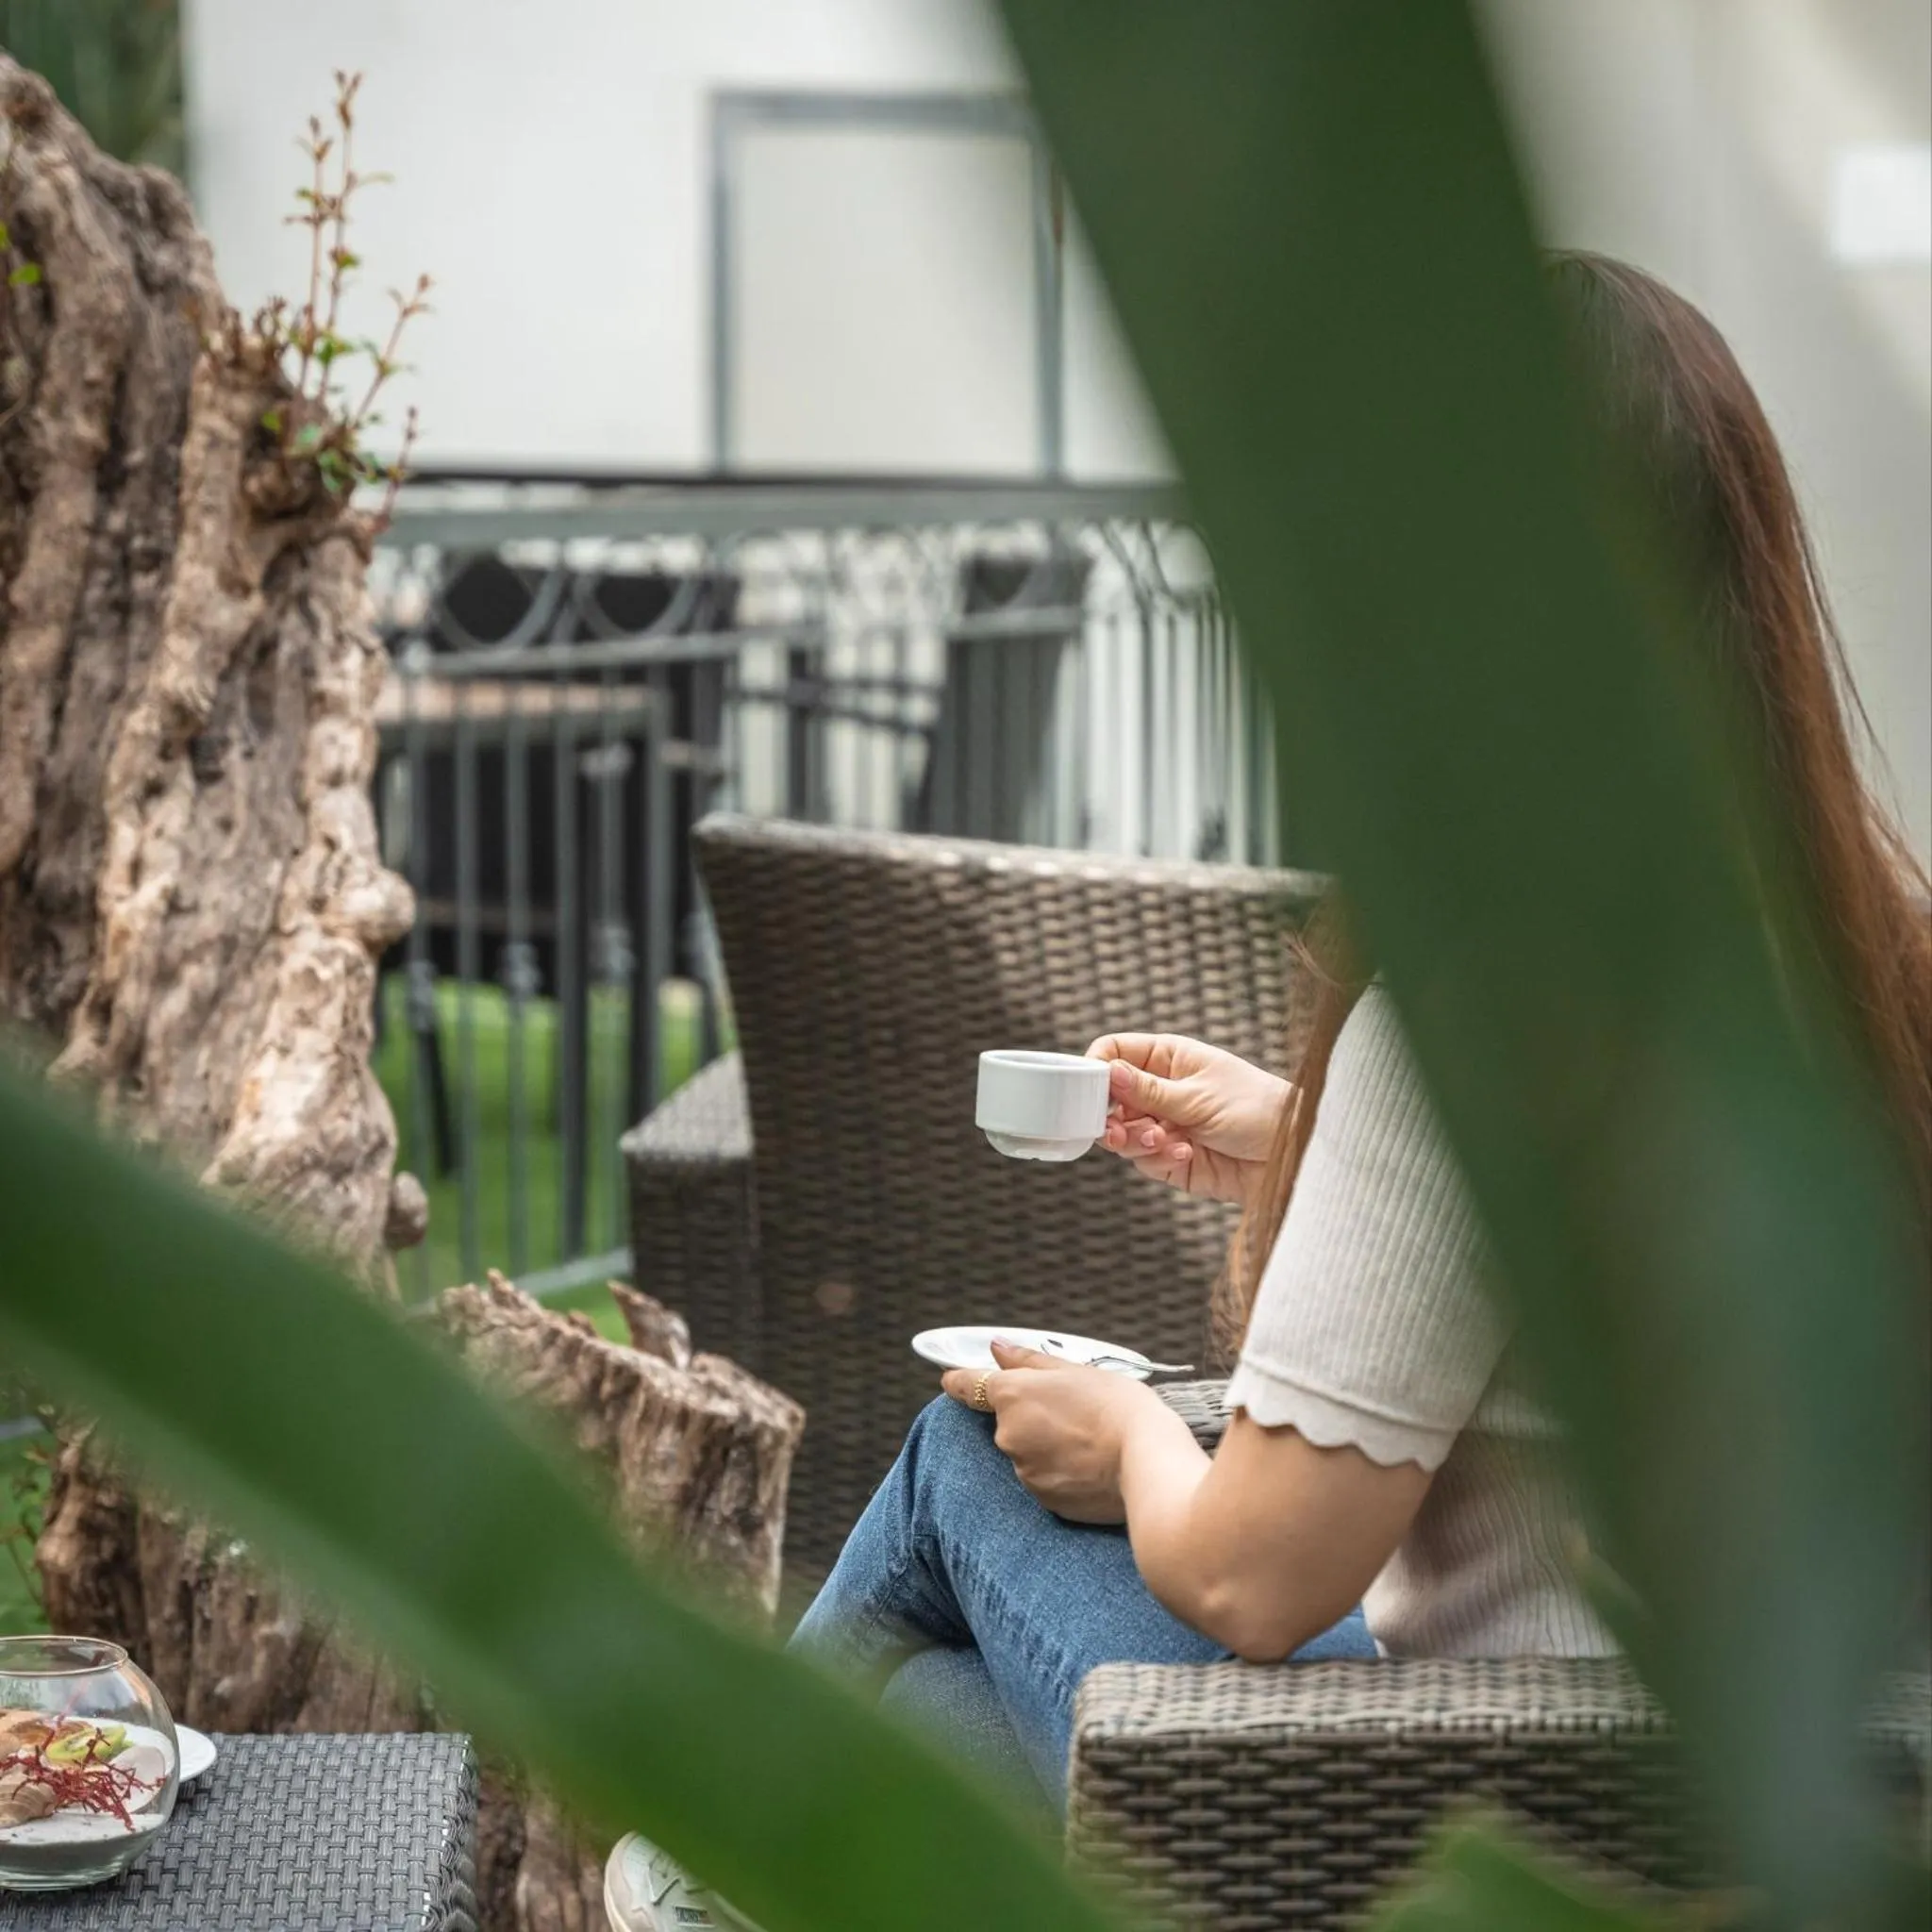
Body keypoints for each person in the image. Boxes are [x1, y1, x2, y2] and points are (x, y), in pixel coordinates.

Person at [604, 253, 1932, 1931]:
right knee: (937, 1722)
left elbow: (1250, 1577)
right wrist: (1304, 1151)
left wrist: (1137, 1433)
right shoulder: (1862, 964)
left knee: (959, 1470)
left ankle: (676, 1860)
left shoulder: (1478, 1022)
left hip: (1458, 1835)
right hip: (1753, 1821)